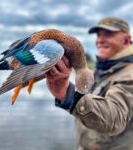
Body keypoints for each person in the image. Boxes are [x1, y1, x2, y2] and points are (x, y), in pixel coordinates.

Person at [45, 17, 133, 150]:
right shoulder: (102, 69)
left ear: (126, 40)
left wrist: (69, 95)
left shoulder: (130, 73)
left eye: (108, 34)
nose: (100, 40)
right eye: (99, 35)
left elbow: (116, 118)